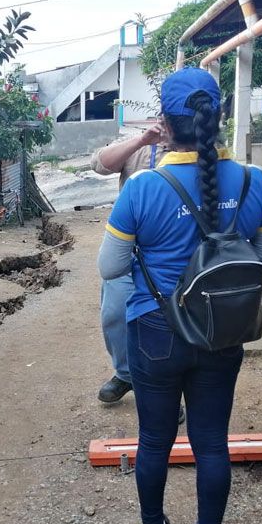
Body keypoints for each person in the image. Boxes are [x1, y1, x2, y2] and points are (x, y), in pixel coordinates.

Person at [97, 68, 262, 524]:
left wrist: (152, 259)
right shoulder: (254, 182)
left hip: (155, 330)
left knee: (154, 440)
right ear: (218, 118)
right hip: (223, 332)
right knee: (211, 443)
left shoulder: (143, 188)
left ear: (166, 125)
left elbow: (110, 268)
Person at [91, 123, 168, 404]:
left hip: (170, 254)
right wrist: (142, 141)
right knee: (114, 313)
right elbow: (100, 164)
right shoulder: (140, 145)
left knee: (166, 322)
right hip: (128, 248)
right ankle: (126, 374)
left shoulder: (193, 149)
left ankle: (162, 388)